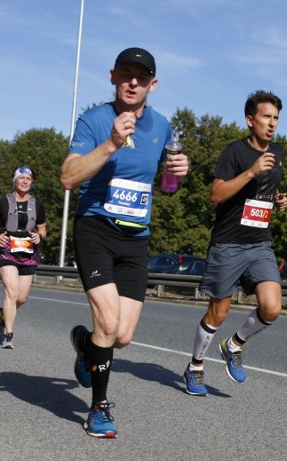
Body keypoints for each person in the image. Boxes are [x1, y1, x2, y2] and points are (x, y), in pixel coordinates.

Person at [60, 47, 190, 438]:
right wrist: (112, 143)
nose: (133, 82)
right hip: (96, 229)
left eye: (142, 76)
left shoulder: (163, 126)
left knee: (123, 336)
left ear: (154, 84)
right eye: (126, 74)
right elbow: (68, 177)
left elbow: (164, 186)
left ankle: (85, 345)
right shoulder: (94, 120)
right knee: (109, 321)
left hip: (136, 238)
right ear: (113, 76)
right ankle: (98, 409)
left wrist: (178, 175)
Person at [181, 91, 287, 396]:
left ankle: (234, 344)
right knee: (218, 312)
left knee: (272, 307)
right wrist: (251, 171)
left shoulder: (278, 152)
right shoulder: (234, 152)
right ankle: (195, 366)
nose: (272, 124)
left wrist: (277, 199)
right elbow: (216, 195)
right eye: (266, 117)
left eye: (276, 118)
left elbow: (265, 189)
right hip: (229, 242)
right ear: (250, 119)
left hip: (260, 243)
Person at [0, 165, 47, 349]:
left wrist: (39, 236)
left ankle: (3, 314)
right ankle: (8, 335)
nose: (25, 181)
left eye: (29, 178)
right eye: (22, 178)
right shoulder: (3, 202)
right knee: (11, 291)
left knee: (22, 298)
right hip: (6, 251)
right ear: (15, 180)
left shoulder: (37, 204)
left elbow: (43, 229)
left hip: (28, 251)